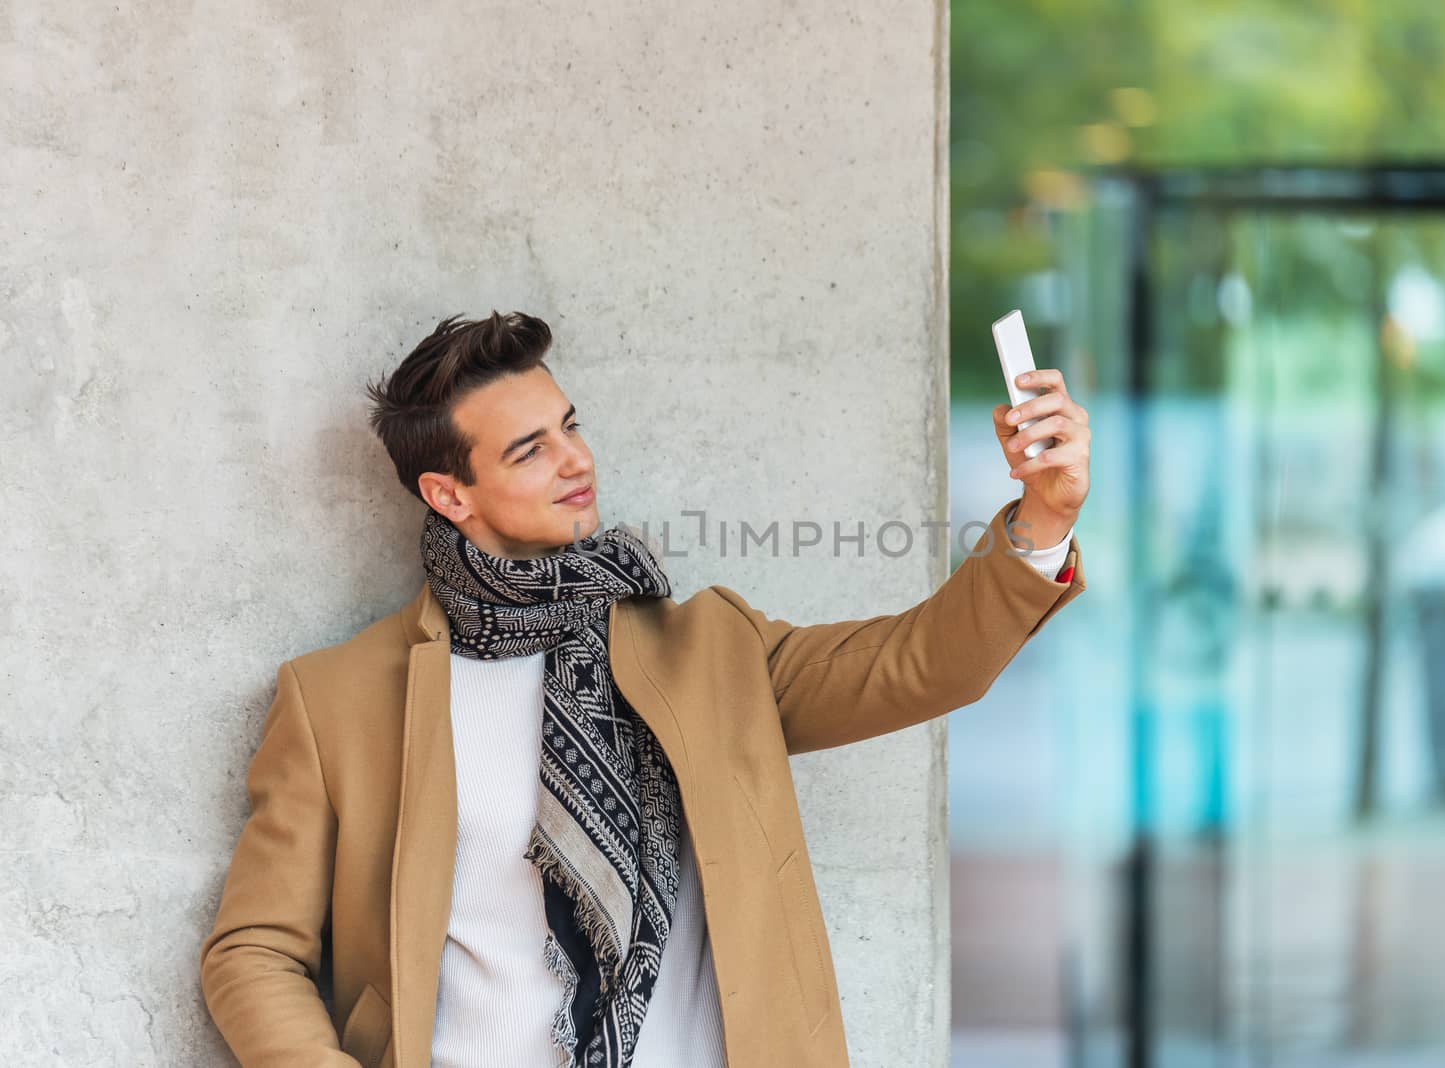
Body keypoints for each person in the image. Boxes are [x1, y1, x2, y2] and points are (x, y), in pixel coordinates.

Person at [198, 311, 1091, 1068]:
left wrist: (1042, 519)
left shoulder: (707, 649)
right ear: (450, 493)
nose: (575, 459)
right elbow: (253, 949)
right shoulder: (339, 700)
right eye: (529, 450)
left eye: (570, 426)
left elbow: (922, 663)